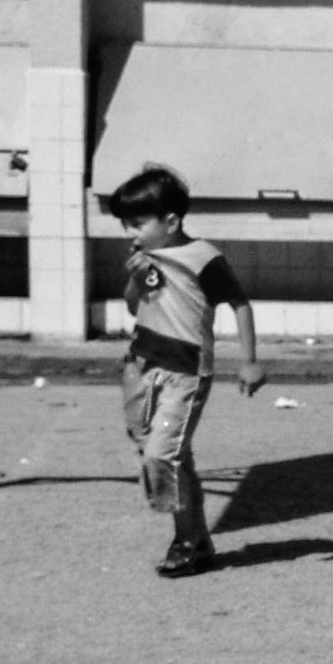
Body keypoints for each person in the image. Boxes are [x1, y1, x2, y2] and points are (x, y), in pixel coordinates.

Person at [105, 164, 263, 580]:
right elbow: (134, 305)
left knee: (162, 455)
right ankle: (200, 542)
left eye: (138, 223)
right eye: (126, 225)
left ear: (171, 222)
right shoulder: (144, 257)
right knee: (167, 453)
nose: (130, 233)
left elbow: (240, 304)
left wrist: (248, 361)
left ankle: (186, 540)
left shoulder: (204, 258)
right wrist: (135, 279)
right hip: (142, 366)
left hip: (186, 372)